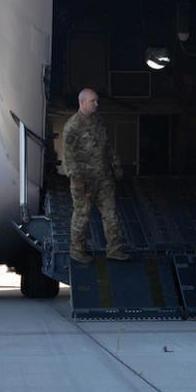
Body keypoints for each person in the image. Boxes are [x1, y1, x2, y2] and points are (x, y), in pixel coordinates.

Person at [62, 88, 130, 263]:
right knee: (82, 216)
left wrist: (116, 165)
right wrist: (76, 179)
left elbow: (107, 146)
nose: (96, 104)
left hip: (103, 178)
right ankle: (77, 251)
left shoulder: (98, 121)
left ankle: (114, 249)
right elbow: (68, 156)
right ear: (82, 102)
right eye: (93, 101)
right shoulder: (72, 126)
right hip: (84, 181)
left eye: (97, 101)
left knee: (111, 214)